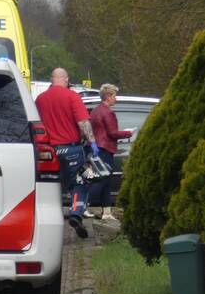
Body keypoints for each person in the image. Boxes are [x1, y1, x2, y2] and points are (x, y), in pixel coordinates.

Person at [34, 67, 98, 238]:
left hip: (48, 151)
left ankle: (46, 219)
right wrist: (92, 142)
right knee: (80, 183)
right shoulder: (72, 96)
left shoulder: (40, 99)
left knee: (50, 184)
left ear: (51, 79)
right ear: (66, 79)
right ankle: (76, 213)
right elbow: (83, 122)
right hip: (71, 149)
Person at [88, 84, 132, 220]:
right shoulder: (108, 113)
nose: (115, 99)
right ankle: (83, 205)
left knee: (105, 180)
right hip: (105, 149)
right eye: (114, 96)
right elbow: (112, 133)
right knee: (101, 180)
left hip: (97, 148)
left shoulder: (95, 111)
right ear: (108, 96)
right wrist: (128, 133)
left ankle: (106, 212)